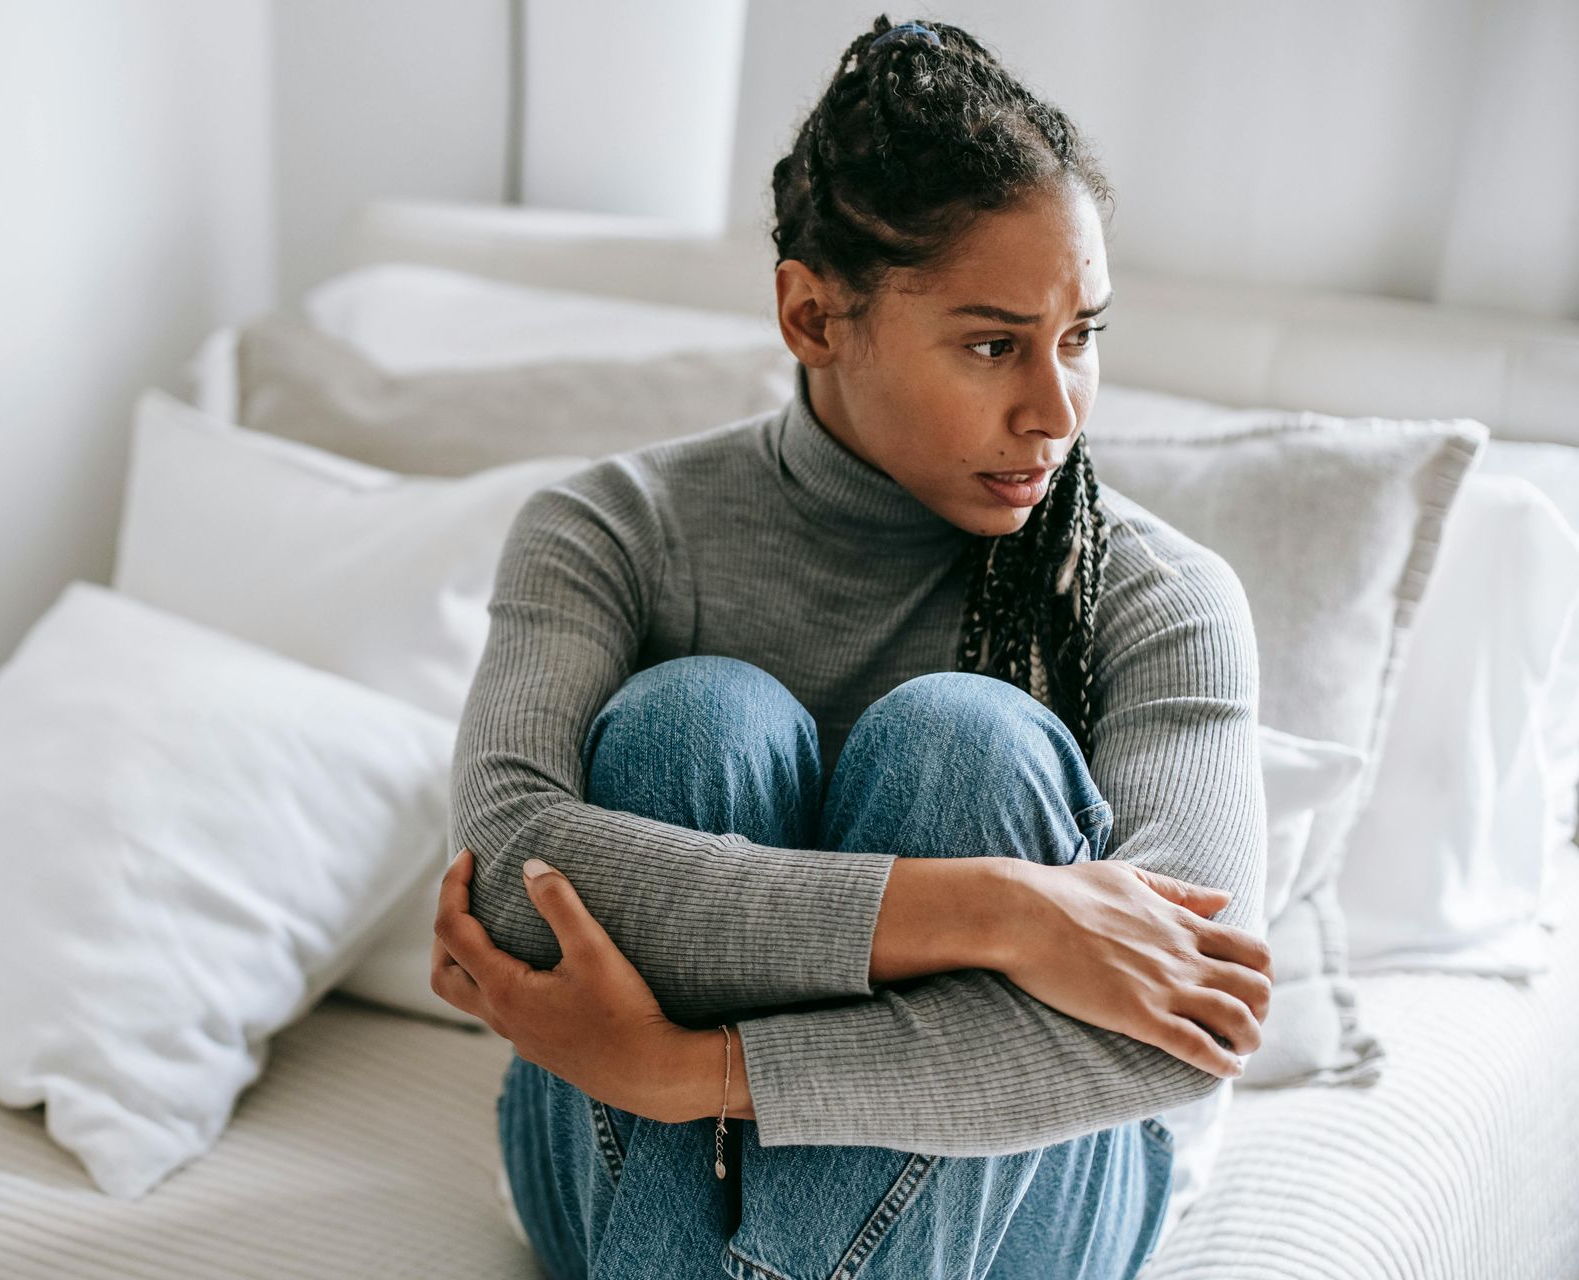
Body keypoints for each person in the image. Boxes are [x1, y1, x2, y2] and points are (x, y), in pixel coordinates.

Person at [429, 14, 1273, 1279]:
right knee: (692, 722)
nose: (1056, 411)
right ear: (813, 317)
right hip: (586, 1151)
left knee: (966, 738)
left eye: (1082, 335)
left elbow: (1179, 1025)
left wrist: (693, 1072)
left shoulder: (1157, 597)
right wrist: (1001, 910)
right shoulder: (612, 530)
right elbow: (506, 870)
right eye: (995, 343)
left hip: (1038, 1183)